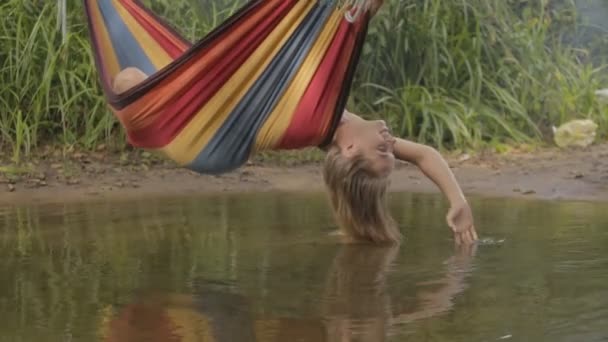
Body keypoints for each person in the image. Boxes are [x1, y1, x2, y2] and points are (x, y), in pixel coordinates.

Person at [110, 0, 477, 246]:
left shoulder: (315, 116)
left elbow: (324, 36)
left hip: (204, 138)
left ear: (349, 151)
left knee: (127, 81)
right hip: (213, 119)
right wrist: (458, 201)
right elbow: (426, 155)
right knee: (134, 81)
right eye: (391, 147)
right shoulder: (331, 123)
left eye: (383, 147)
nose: (389, 137)